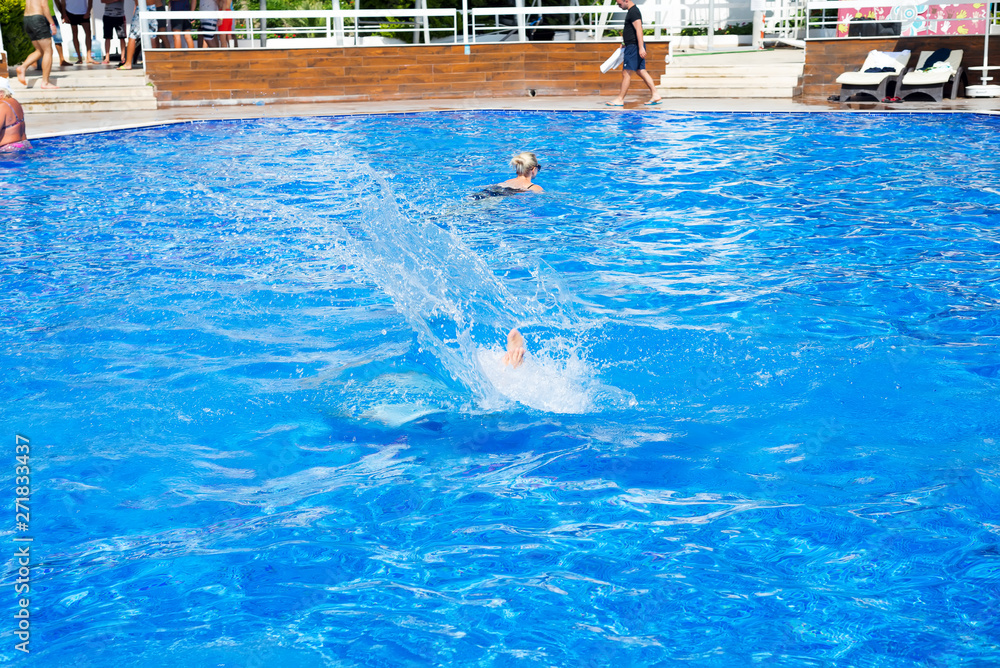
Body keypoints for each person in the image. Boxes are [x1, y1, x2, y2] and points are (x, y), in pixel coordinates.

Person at [605, 0, 662, 107]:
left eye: (619, 3)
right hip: (632, 46)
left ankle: (620, 99)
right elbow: (630, 31)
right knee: (641, 71)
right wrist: (624, 43)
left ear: (626, 0)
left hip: (634, 47)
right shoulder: (631, 11)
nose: (618, 6)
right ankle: (655, 94)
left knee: (626, 73)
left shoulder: (634, 12)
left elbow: (639, 29)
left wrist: (640, 47)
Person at [15, 0, 60, 89]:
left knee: (40, 51)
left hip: (27, 19)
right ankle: (45, 82)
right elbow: (44, 6)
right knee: (48, 51)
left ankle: (22, 67)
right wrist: (52, 23)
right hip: (37, 19)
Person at [0, 79, 32, 152]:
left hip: (8, 150)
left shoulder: (1, 106)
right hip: (24, 145)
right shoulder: (15, 102)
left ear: (1, 92)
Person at [63, 0, 98, 65]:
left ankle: (89, 57)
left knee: (88, 33)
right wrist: (64, 14)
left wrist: (88, 11)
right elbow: (63, 1)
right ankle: (79, 57)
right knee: (75, 34)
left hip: (83, 12)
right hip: (70, 11)